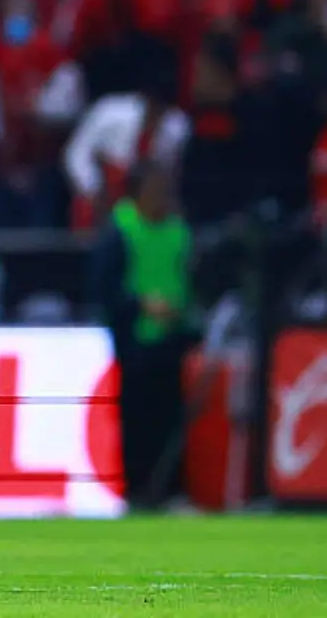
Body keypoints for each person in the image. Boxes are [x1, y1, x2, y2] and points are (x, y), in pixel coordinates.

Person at [89, 160, 194, 509]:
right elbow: (103, 290)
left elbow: (191, 280)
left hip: (172, 342)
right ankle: (134, 491)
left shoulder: (179, 230)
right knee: (135, 420)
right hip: (134, 344)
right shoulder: (120, 230)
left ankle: (171, 491)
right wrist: (141, 306)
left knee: (171, 418)